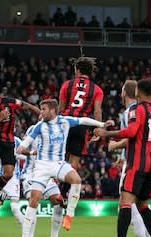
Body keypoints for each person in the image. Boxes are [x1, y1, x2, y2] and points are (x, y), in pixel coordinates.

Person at [17, 99, 111, 237]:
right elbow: (27, 141)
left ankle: (69, 217)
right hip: (41, 166)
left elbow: (83, 120)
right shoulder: (40, 126)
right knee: (34, 200)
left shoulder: (65, 121)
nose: (41, 112)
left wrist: (101, 125)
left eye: (44, 109)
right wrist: (22, 147)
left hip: (58, 164)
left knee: (77, 180)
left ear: (53, 110)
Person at [94, 79, 151, 237]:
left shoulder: (137, 110)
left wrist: (108, 134)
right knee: (142, 204)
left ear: (137, 92)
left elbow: (131, 131)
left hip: (137, 164)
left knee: (125, 202)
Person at [106, 80, 150, 237]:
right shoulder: (144, 110)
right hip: (144, 160)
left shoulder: (130, 112)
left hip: (134, 163)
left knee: (126, 201)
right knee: (135, 203)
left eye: (122, 90)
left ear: (126, 93)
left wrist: (114, 145)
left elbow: (131, 137)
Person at [0, 87, 40, 218]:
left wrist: (39, 113)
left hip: (8, 142)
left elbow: (27, 106)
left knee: (8, 174)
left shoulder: (10, 102)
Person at [58, 56, 104, 220]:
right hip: (81, 125)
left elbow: (61, 108)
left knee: (59, 160)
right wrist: (96, 129)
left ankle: (57, 193)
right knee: (73, 163)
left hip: (64, 123)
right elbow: (97, 111)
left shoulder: (67, 85)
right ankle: (63, 193)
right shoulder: (97, 89)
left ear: (77, 70)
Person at [19, 125, 67, 237]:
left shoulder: (55, 131)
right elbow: (20, 149)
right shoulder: (33, 129)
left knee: (58, 202)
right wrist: (32, 152)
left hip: (47, 174)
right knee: (33, 202)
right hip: (31, 174)